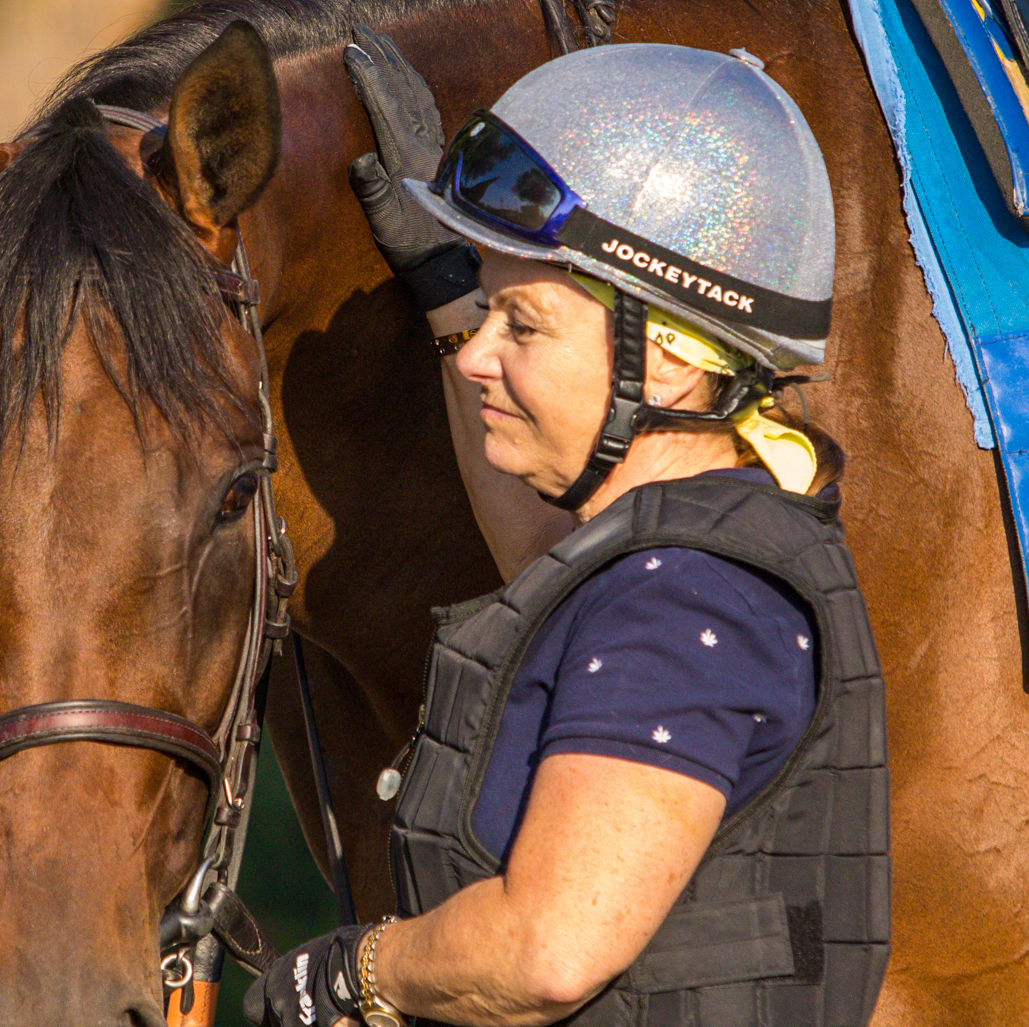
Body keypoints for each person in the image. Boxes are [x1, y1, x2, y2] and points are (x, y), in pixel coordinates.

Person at [245, 35, 887, 1027]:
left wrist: (356, 972)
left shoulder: (685, 603)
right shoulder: (667, 562)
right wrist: (448, 294)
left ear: (668, 364)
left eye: (523, 325)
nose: (473, 359)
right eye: (488, 319)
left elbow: (548, 947)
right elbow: (545, 571)